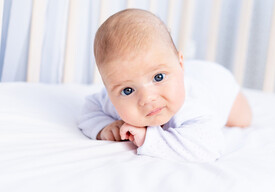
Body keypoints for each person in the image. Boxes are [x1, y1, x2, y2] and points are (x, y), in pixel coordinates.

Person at [77, 8, 252, 162]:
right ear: (109, 90)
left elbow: (209, 148)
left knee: (243, 119)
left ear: (180, 64)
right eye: (128, 90)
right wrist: (103, 127)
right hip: (192, 72)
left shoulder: (191, 108)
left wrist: (149, 139)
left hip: (217, 82)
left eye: (158, 77)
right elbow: (89, 109)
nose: (147, 98)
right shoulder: (111, 101)